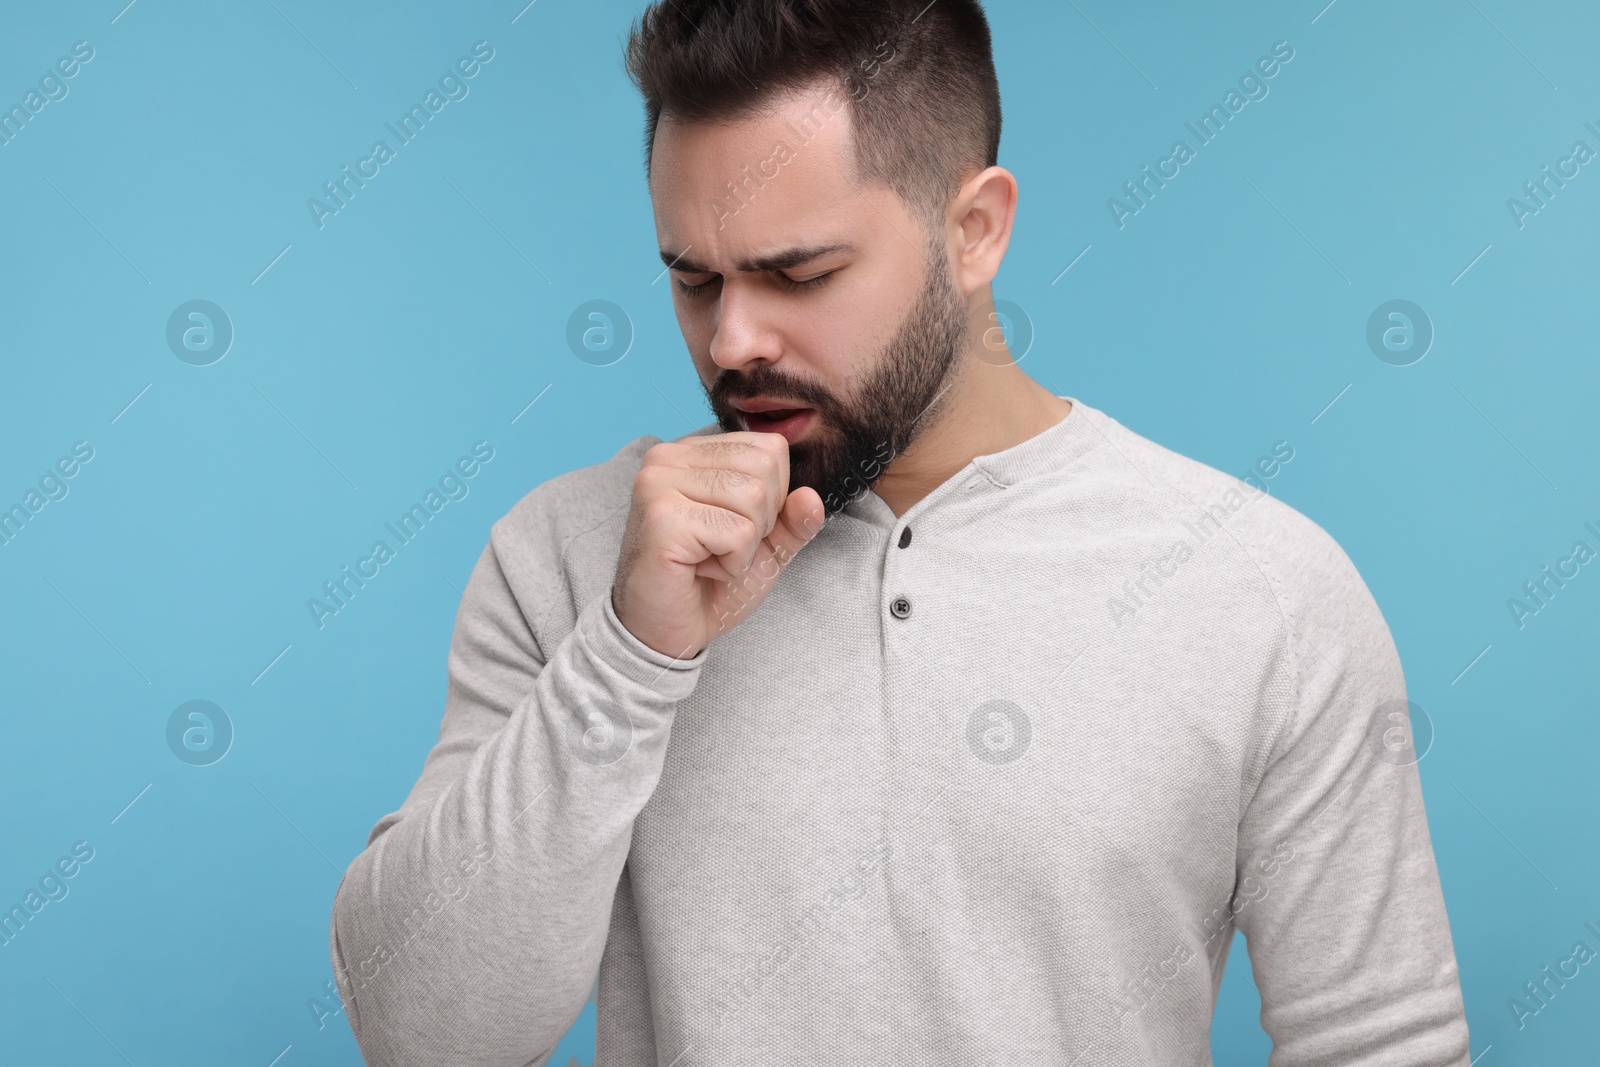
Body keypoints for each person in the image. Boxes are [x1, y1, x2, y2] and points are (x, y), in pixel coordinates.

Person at [329, 1, 1473, 1063]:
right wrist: (630, 655)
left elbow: (1382, 1040)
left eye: (798, 273)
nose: (731, 340)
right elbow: (425, 1032)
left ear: (973, 230)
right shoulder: (575, 554)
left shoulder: (1262, 587)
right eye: (693, 281)